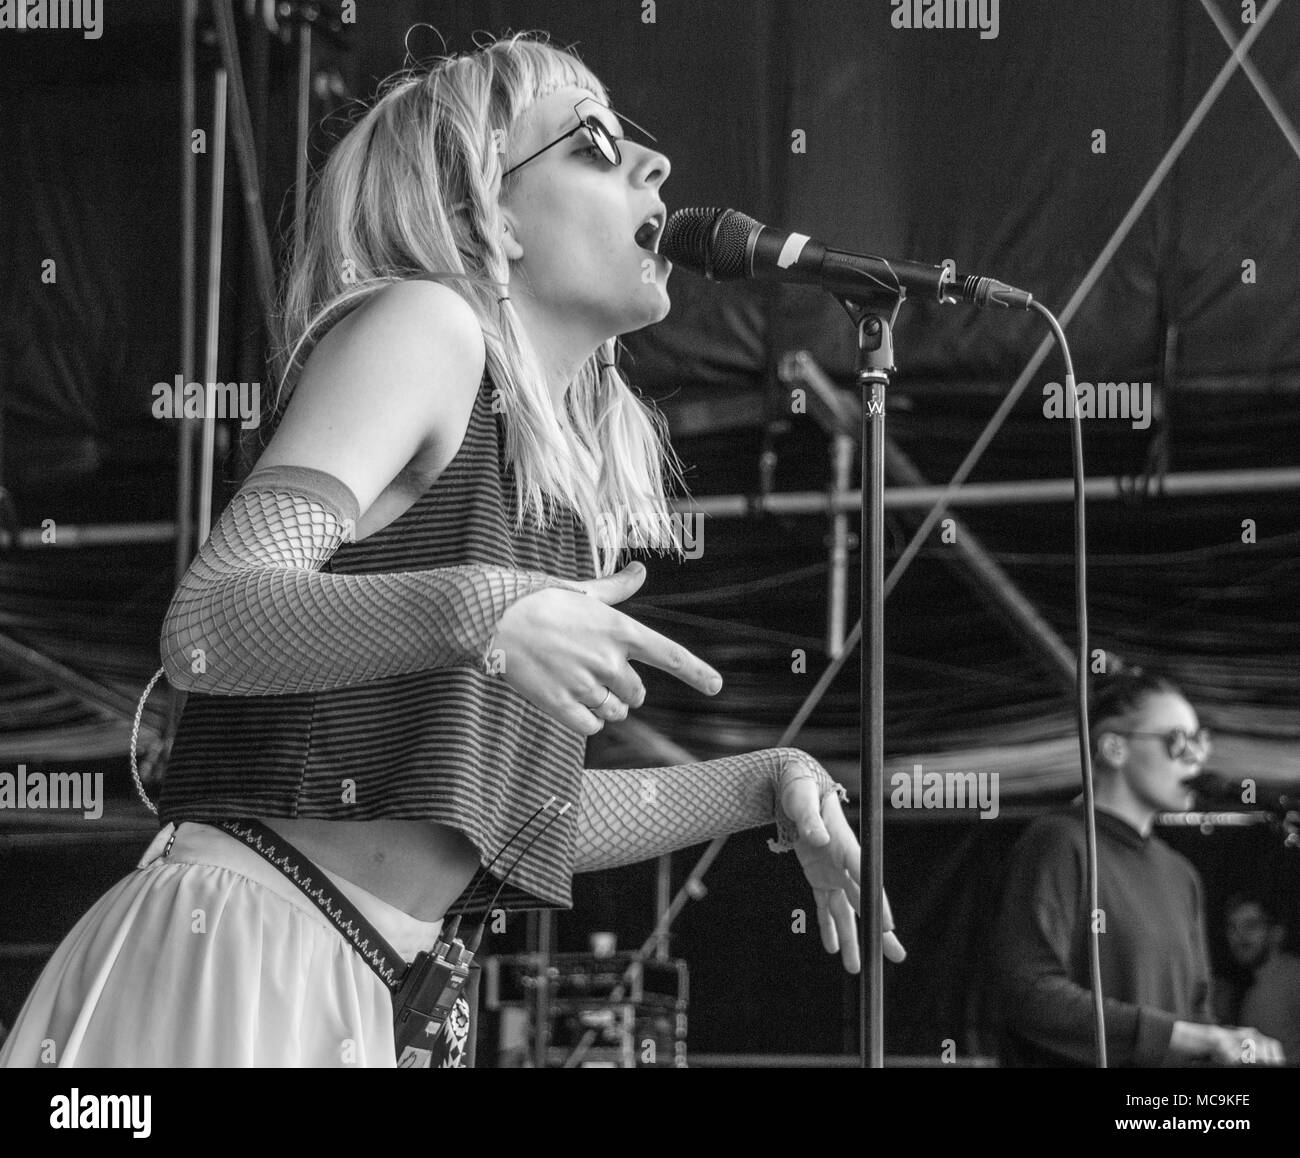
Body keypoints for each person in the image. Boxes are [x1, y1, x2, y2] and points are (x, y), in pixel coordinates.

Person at [0, 32, 901, 1069]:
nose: (656, 166)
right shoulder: (429, 327)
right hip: (249, 949)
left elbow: (512, 811)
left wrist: (760, 785)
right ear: (488, 214)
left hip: (367, 979)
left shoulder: (546, 480)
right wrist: (480, 607)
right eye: (597, 146)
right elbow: (212, 623)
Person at [994, 663, 1284, 1067]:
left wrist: (1228, 1044)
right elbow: (1029, 994)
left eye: (1200, 740)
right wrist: (1187, 1036)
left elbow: (1195, 1014)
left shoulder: (1181, 875)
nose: (1197, 757)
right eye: (1177, 740)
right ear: (1114, 748)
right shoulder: (1059, 842)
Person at [1217, 896, 1300, 1066]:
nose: (1239, 936)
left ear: (1277, 933)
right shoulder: (1245, 990)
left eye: (1250, 925)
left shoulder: (1293, 977)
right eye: (1232, 927)